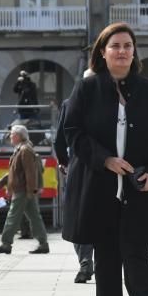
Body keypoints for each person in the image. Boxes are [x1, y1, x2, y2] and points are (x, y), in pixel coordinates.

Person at [62, 23, 148, 296]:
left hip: (139, 187)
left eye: (128, 45)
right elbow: (73, 132)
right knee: (107, 253)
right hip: (99, 187)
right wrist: (105, 159)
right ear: (103, 51)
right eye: (116, 46)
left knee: (139, 252)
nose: (123, 51)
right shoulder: (87, 89)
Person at [54, 80, 94, 282]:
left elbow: (59, 138)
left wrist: (63, 161)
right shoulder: (114, 98)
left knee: (79, 217)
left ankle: (85, 261)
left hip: (79, 166)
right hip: (111, 166)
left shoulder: (70, 103)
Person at [0, 124, 49, 255]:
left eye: (11, 134)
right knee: (34, 217)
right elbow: (14, 172)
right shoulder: (21, 149)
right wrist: (0, 183)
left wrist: (30, 191)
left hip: (22, 190)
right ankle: (43, 244)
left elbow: (30, 172)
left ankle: (6, 243)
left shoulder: (24, 150)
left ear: (18, 136)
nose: (10, 136)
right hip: (24, 190)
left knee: (13, 216)